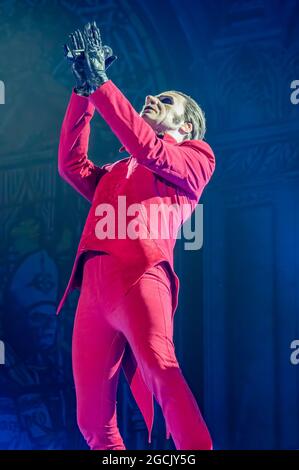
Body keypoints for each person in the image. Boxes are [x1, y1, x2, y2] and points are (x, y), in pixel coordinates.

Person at [57, 21, 216, 450]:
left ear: (186, 128)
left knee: (162, 373)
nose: (151, 99)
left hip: (141, 279)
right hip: (92, 293)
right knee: (91, 419)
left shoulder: (195, 157)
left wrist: (105, 83)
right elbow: (72, 166)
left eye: (165, 101)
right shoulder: (114, 173)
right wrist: (85, 92)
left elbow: (150, 149)